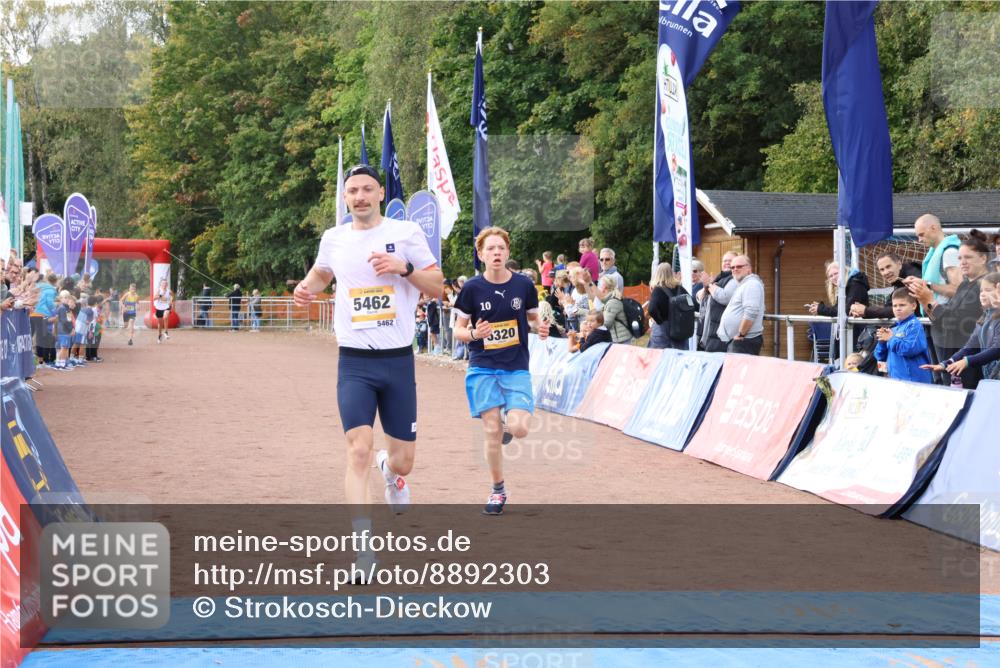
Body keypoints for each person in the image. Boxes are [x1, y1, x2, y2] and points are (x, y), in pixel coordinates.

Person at [293, 164, 442, 537]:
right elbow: (323, 273)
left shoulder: (405, 233)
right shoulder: (334, 237)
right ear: (345, 198)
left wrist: (403, 268)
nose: (359, 196)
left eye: (366, 189)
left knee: (404, 462)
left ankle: (391, 473)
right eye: (352, 191)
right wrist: (305, 287)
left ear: (380, 194)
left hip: (397, 362)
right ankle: (363, 547)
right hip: (355, 362)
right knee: (358, 449)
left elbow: (438, 286)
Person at [452, 226, 548, 516]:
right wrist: (474, 334)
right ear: (481, 255)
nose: (496, 253)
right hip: (482, 367)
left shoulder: (523, 285)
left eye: (501, 248)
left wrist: (539, 327)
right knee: (491, 429)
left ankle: (509, 427)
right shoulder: (471, 288)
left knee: (519, 428)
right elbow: (457, 330)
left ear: (507, 253)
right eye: (490, 249)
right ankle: (497, 491)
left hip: (515, 367)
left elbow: (531, 319)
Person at [908, 230, 993, 388]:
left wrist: (930, 300)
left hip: (972, 366)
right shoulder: (965, 284)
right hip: (954, 360)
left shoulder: (984, 286)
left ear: (983, 258)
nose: (962, 262)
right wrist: (923, 299)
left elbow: (956, 323)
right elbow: (942, 318)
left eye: (968, 257)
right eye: (960, 258)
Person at [922, 272, 1000, 384]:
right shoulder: (984, 318)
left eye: (988, 290)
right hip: (991, 380)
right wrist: (946, 363)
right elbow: (970, 346)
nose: (982, 294)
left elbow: (996, 349)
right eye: (981, 291)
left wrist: (967, 362)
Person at [873, 289, 933, 384]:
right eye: (894, 306)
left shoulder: (914, 325)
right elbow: (879, 356)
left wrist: (891, 339)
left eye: (902, 305)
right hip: (896, 381)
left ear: (913, 306)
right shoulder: (893, 328)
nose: (898, 308)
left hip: (915, 382)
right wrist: (882, 342)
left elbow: (910, 349)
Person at [717, 255, 765, 355]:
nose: (735, 269)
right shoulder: (745, 284)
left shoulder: (751, 284)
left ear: (749, 269)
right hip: (741, 341)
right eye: (732, 267)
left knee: (741, 370)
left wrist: (740, 334)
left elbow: (751, 312)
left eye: (739, 266)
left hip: (744, 341)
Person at [910, 213, 962, 306]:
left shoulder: (949, 252)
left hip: (948, 315)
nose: (919, 240)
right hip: (940, 313)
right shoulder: (935, 252)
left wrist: (927, 285)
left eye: (922, 234)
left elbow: (958, 291)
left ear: (933, 228)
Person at [850, 252, 921, 319]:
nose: (885, 272)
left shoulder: (911, 277)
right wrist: (861, 310)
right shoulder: (898, 282)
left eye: (888, 267)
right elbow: (888, 307)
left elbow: (899, 310)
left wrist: (866, 311)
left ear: (899, 264)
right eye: (882, 269)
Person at [698, 251, 739, 352]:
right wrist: (706, 287)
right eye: (724, 260)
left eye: (730, 261)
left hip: (722, 334)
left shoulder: (735, 280)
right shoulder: (719, 278)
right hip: (711, 332)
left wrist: (709, 284)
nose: (727, 263)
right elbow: (699, 297)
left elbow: (724, 297)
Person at [647, 262, 692, 350]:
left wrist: (659, 321)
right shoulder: (680, 288)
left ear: (657, 274)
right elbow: (692, 304)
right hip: (680, 331)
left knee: (660, 360)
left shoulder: (658, 290)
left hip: (662, 333)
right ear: (671, 274)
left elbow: (651, 309)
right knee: (680, 359)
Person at [596, 274, 632, 344]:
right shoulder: (609, 300)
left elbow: (607, 324)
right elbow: (596, 313)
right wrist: (579, 311)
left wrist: (593, 325)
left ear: (604, 287)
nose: (598, 288)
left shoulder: (612, 302)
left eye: (599, 285)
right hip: (619, 338)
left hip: (621, 340)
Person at [153, 278, 172, 343]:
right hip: (159, 308)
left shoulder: (169, 291)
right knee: (160, 324)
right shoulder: (158, 290)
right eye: (163, 283)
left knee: (165, 316)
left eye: (165, 283)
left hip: (166, 307)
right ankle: (159, 335)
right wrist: (161, 296)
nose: (164, 284)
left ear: (167, 285)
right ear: (161, 284)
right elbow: (154, 298)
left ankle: (166, 332)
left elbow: (172, 296)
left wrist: (171, 301)